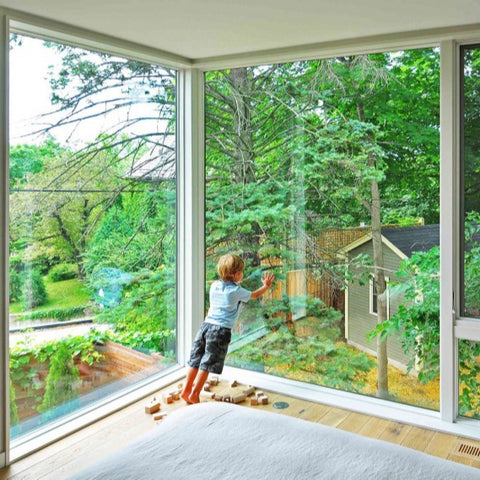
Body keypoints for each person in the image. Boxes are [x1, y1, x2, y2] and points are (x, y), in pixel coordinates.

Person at [181, 254, 274, 404]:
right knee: (207, 363)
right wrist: (266, 286)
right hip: (220, 331)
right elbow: (255, 295)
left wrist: (235, 281)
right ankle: (194, 393)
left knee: (195, 359)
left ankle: (186, 391)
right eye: (241, 272)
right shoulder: (235, 291)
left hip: (205, 326)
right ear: (236, 274)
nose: (242, 274)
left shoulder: (214, 286)